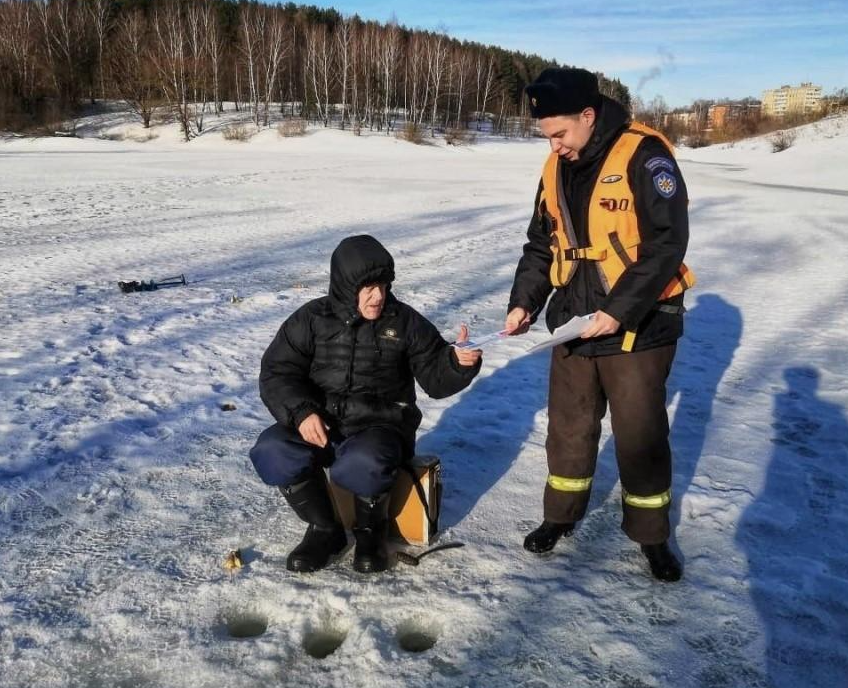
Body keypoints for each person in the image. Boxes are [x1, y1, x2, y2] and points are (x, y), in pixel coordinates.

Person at [504, 68, 695, 581]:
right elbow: (542, 244)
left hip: (639, 323)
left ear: (588, 116)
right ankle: (559, 518)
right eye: (546, 137)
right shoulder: (554, 167)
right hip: (574, 319)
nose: (554, 146)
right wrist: (523, 302)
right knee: (569, 427)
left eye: (560, 133)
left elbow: (667, 243)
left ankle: (652, 537)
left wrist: (619, 309)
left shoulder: (645, 154)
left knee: (640, 436)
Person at [250, 235, 481, 574]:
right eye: (368, 288)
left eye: (384, 286)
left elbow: (435, 375)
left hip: (381, 428)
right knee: (272, 449)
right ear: (346, 287)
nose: (378, 296)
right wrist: (301, 412)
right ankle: (324, 529)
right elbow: (276, 372)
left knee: (362, 461)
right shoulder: (310, 320)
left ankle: (371, 532)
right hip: (323, 426)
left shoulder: (404, 321)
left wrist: (458, 363)